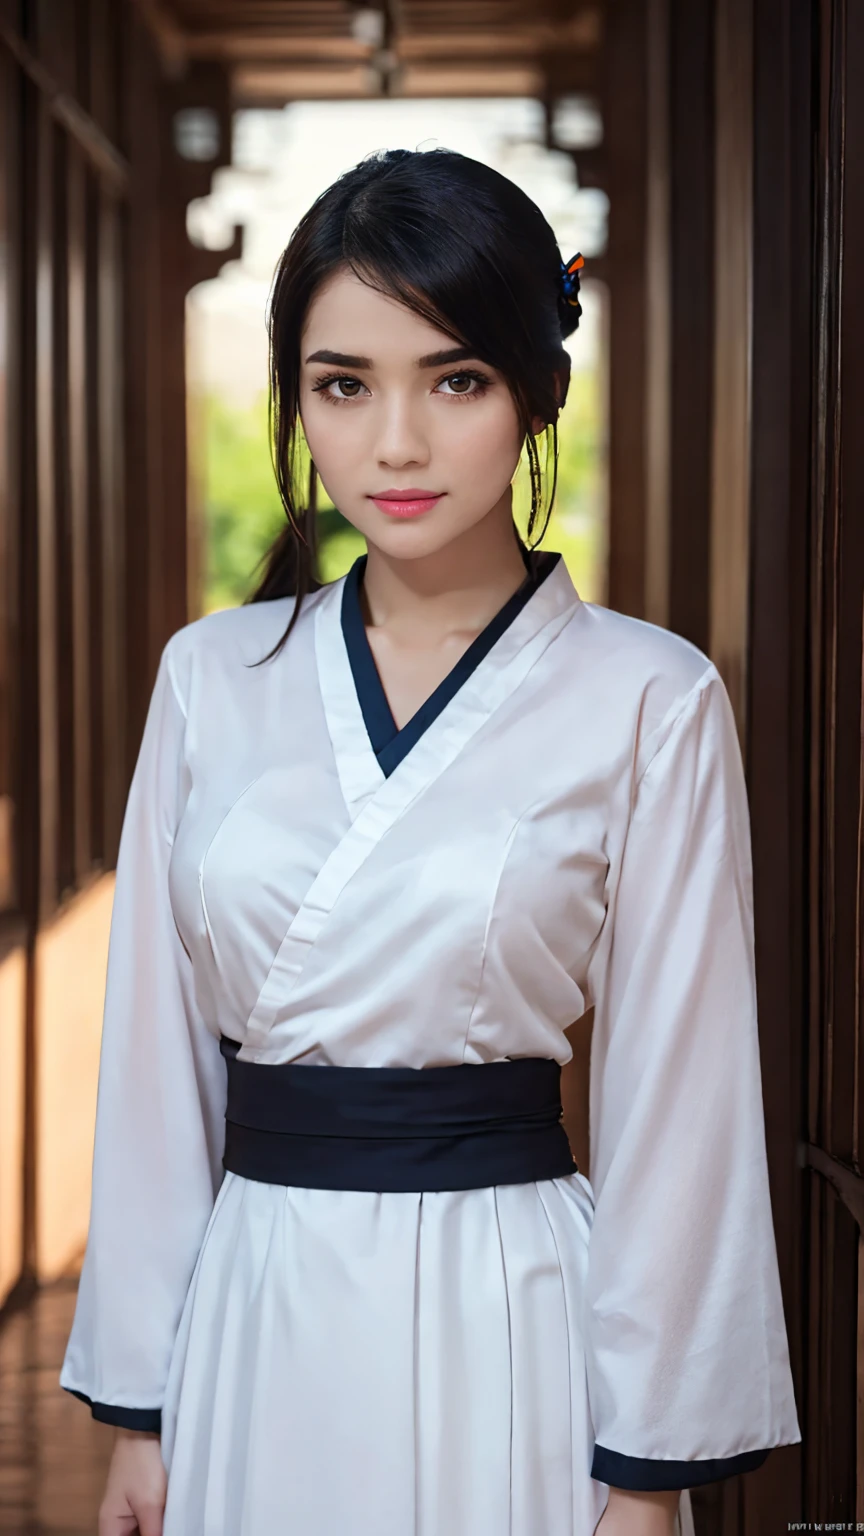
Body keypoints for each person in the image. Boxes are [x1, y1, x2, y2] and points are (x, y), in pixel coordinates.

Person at [59, 147, 801, 1536]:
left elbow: (680, 1096)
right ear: (299, 401)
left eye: (455, 379)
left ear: (534, 391)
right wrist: (145, 1415)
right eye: (343, 385)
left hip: (510, 1307)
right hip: (255, 1304)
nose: (394, 443)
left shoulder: (652, 697)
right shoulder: (211, 679)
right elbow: (155, 1066)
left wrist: (644, 1472)